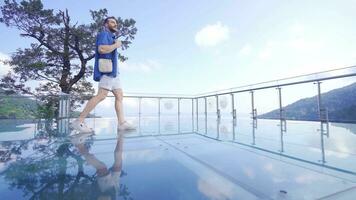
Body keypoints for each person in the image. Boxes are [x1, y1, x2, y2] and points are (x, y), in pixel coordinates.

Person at [72, 16, 136, 133]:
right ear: (106, 25)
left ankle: (122, 123)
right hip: (107, 71)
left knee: (119, 95)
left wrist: (115, 43)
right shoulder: (104, 34)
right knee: (101, 95)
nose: (115, 24)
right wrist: (116, 45)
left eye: (116, 23)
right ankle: (79, 121)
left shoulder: (111, 37)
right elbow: (101, 49)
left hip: (114, 72)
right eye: (112, 22)